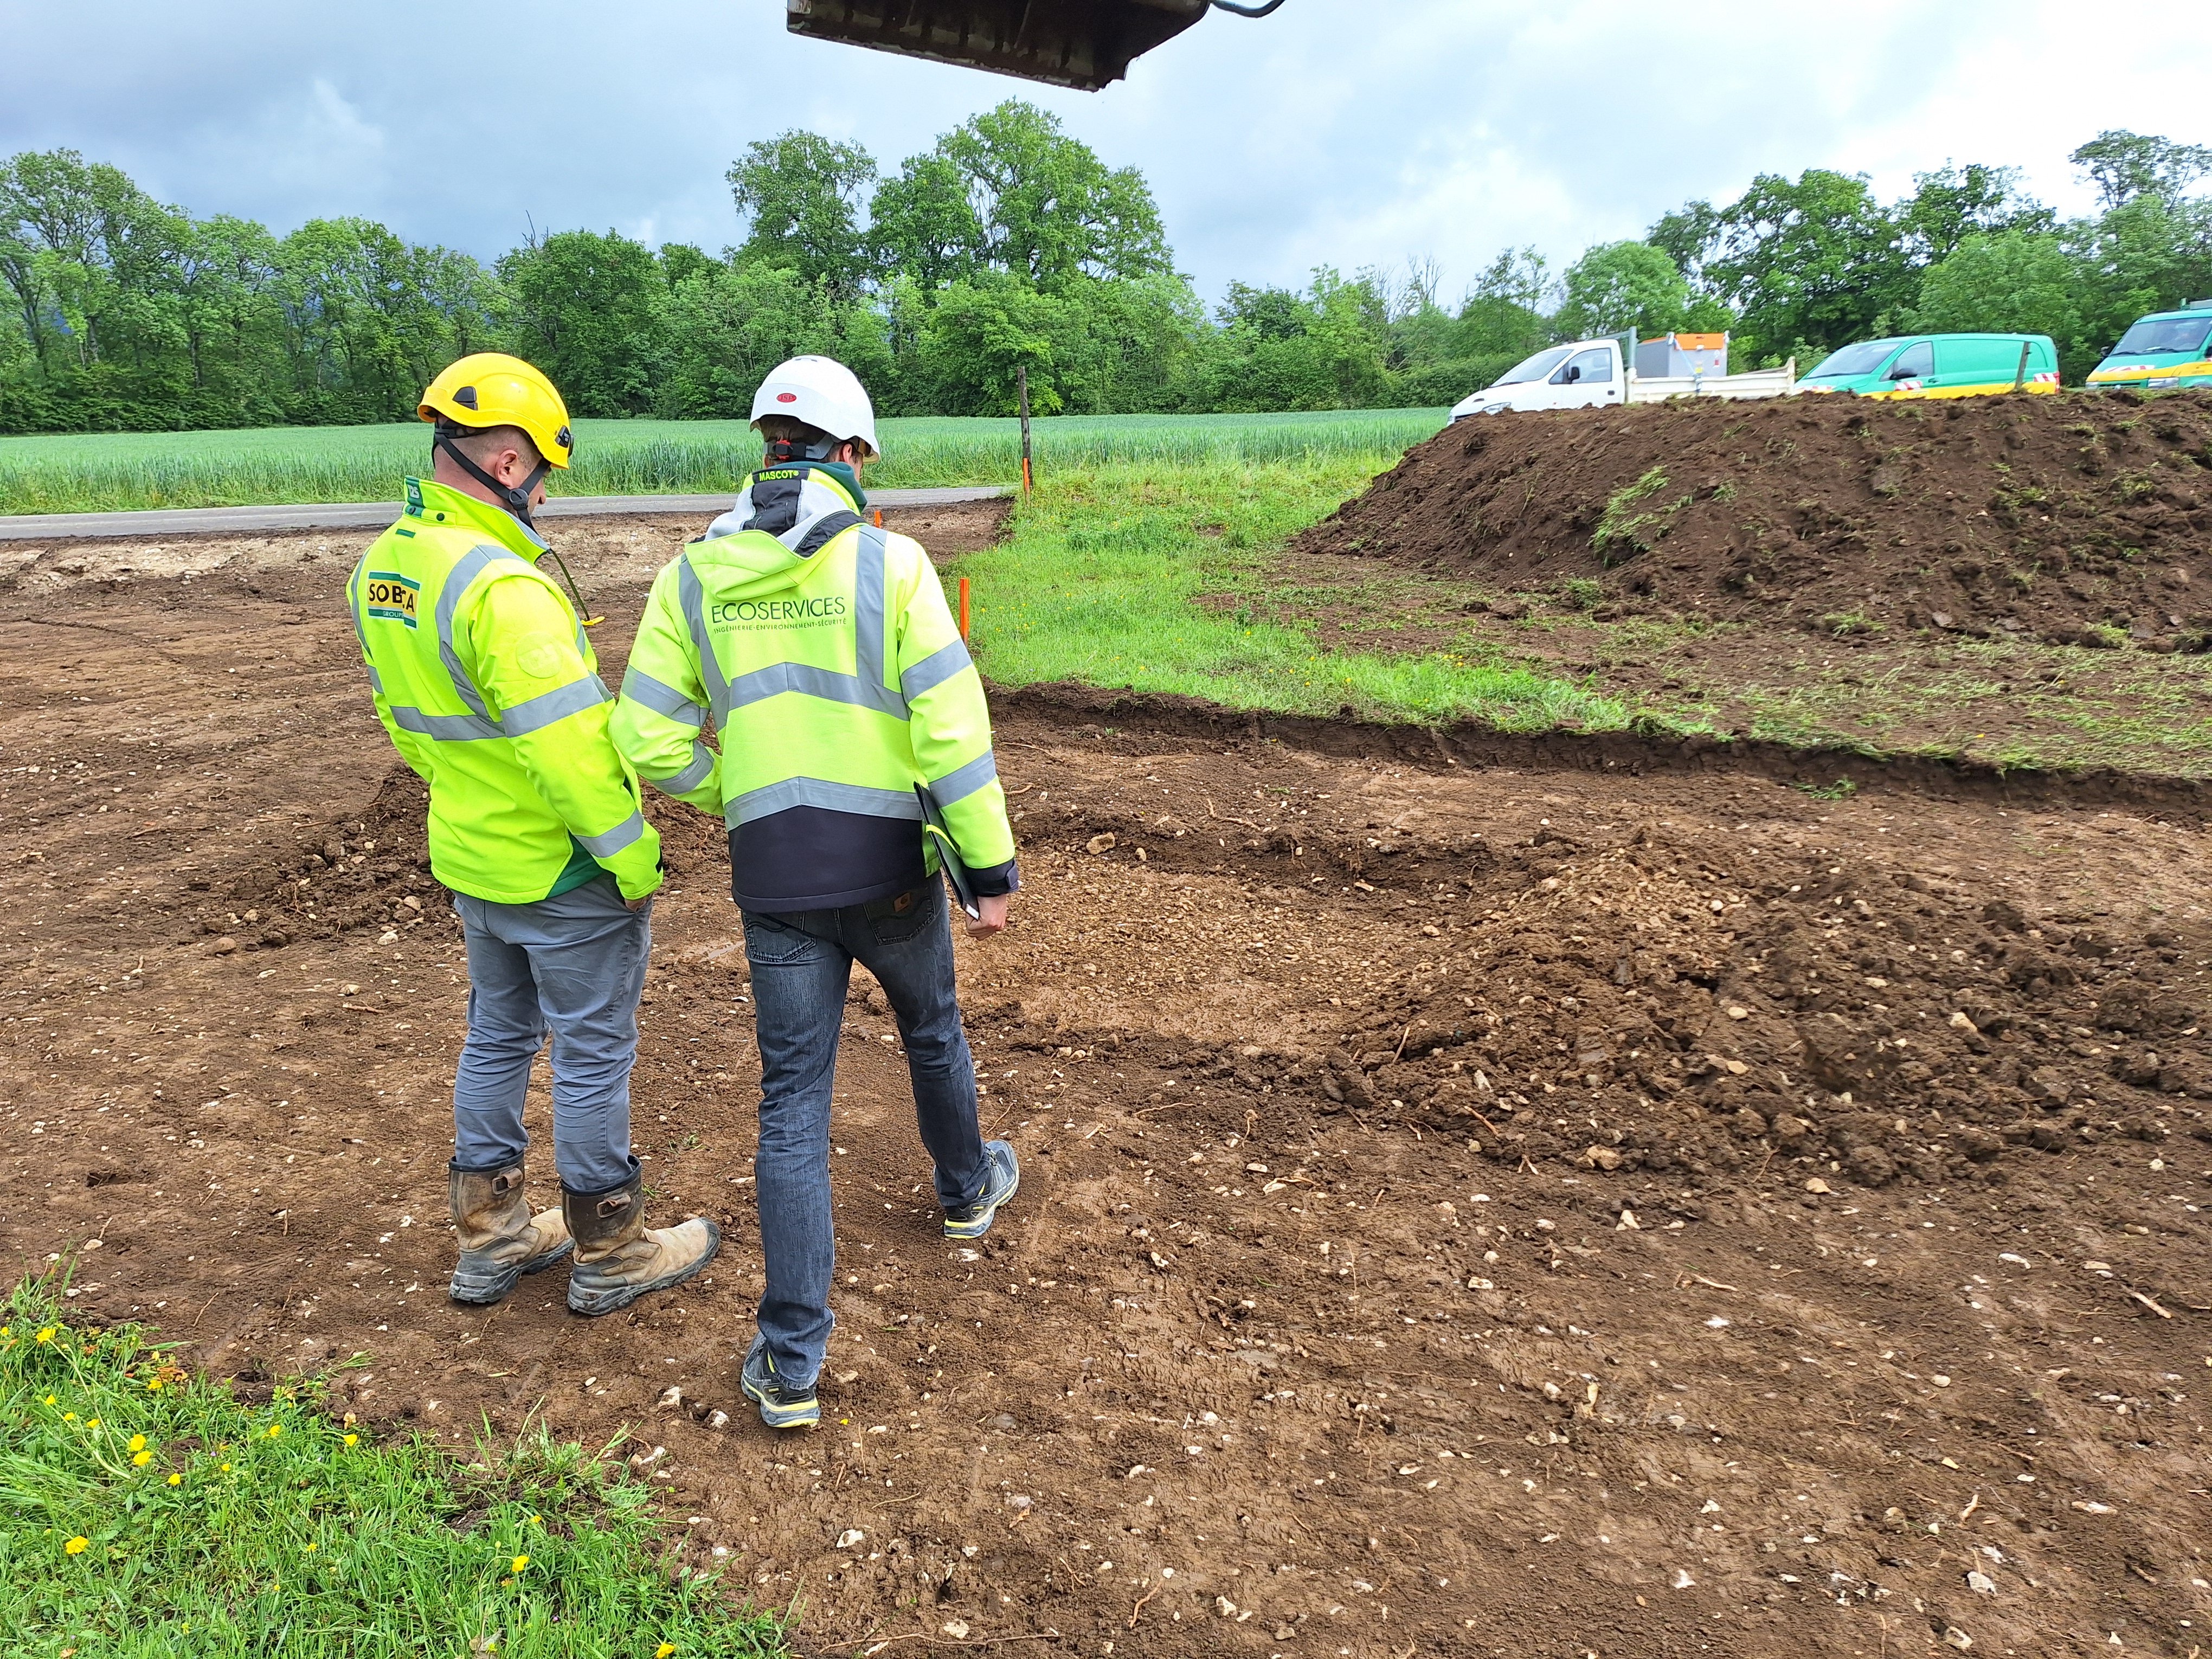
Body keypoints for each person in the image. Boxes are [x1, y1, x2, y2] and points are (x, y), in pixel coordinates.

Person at [611, 355, 1019, 1430]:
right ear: (849, 454)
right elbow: (952, 733)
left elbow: (645, 735)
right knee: (931, 1030)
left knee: (793, 1108)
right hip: (892, 873)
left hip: (776, 882)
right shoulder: (894, 566)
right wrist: (987, 869)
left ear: (766, 449)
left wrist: (738, 792)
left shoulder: (691, 577)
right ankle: (967, 1193)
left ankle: (790, 1365)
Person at [348, 351, 720, 1317]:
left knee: (496, 1038)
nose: (546, 495)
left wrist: (469, 800)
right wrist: (633, 856)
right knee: (593, 1054)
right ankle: (610, 1251)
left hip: (473, 857)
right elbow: (571, 754)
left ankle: (494, 1242)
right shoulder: (506, 591)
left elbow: (404, 724)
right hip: (562, 870)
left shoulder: (386, 567)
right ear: (509, 460)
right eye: (545, 471)